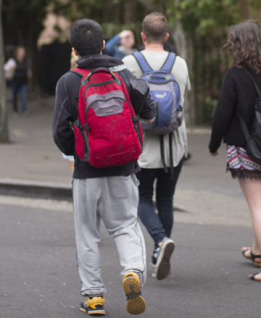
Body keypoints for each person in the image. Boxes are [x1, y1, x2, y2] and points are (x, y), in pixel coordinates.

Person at [52, 18, 156, 316]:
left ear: (74, 50)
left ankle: (94, 297)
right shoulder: (122, 74)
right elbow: (149, 109)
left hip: (86, 171)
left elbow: (60, 133)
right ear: (102, 43)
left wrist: (78, 150)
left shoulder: (69, 81)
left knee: (87, 233)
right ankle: (132, 272)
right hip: (124, 168)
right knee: (125, 226)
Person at [208, 20, 261, 284]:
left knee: (257, 207)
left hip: (246, 149)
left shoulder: (235, 75)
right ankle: (257, 251)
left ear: (238, 46)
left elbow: (222, 113)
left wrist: (214, 143)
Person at [123, 12, 190, 281]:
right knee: (166, 199)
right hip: (174, 146)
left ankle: (161, 241)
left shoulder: (130, 62)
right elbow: (183, 98)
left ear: (141, 36)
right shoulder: (180, 64)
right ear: (166, 36)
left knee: (140, 198)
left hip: (142, 147)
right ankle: (159, 250)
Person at [4, 46, 30, 115]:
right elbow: (5, 68)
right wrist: (12, 68)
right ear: (17, 53)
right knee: (15, 97)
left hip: (24, 82)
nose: (22, 53)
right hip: (15, 82)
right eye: (21, 52)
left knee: (24, 96)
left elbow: (28, 71)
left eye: (23, 52)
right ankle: (15, 110)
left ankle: (24, 110)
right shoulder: (13, 61)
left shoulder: (25, 61)